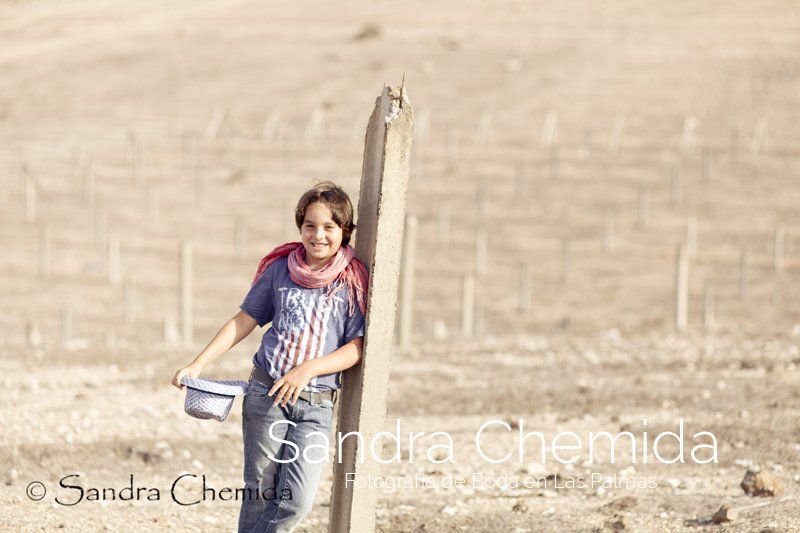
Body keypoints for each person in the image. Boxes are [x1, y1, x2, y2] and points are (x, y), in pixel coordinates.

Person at [171, 180, 369, 532]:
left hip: (316, 405)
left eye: (329, 227)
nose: (318, 235)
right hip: (266, 396)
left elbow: (355, 347)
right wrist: (198, 364)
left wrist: (308, 369)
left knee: (296, 501)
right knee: (260, 493)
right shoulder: (280, 270)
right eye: (310, 225)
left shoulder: (352, 280)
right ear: (300, 226)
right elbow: (245, 319)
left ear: (345, 231)